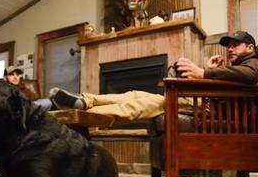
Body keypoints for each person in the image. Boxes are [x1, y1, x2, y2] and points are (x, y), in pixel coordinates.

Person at [50, 31, 258, 126]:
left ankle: (80, 114)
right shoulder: (238, 66)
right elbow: (235, 79)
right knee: (136, 94)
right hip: (204, 103)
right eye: (228, 46)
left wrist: (204, 73)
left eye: (235, 45)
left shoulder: (254, 62)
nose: (230, 49)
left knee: (149, 103)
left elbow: (249, 76)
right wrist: (208, 71)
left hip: (210, 110)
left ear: (250, 47)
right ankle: (86, 100)